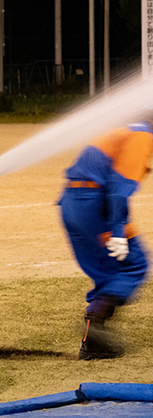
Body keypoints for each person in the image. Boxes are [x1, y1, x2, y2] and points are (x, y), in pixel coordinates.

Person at [58, 122, 151, 360]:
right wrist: (118, 231)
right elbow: (119, 190)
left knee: (109, 271)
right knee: (134, 264)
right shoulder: (142, 136)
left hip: (72, 203)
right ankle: (96, 326)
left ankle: (92, 342)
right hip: (94, 205)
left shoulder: (127, 129)